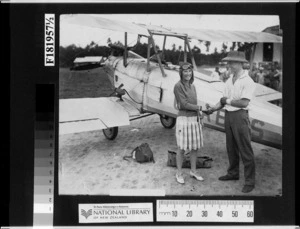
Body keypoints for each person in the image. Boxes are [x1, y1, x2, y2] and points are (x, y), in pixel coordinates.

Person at [206, 51, 256, 193]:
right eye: (228, 62)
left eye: (232, 62)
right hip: (228, 115)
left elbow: (244, 103)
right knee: (231, 147)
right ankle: (233, 173)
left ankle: (250, 181)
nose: (229, 65)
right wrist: (213, 109)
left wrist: (226, 101)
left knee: (245, 149)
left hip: (240, 116)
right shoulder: (229, 80)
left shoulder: (248, 81)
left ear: (241, 63)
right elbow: (223, 100)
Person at [173, 62, 205, 184]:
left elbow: (194, 104)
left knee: (195, 147)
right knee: (181, 148)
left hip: (194, 120)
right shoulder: (178, 86)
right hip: (184, 120)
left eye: (190, 71)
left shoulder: (193, 86)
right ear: (181, 73)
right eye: (185, 71)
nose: (188, 73)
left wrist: (200, 116)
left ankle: (193, 171)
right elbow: (183, 104)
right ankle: (179, 173)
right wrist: (199, 108)